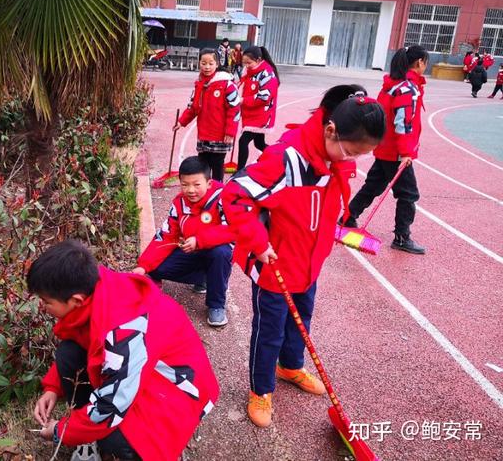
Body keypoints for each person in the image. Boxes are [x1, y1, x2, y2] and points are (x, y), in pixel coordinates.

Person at [222, 86, 386, 428]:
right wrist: (257, 242)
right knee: (268, 329)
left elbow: (321, 211)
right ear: (330, 130)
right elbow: (235, 196)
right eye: (353, 152)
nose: (353, 160)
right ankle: (260, 389)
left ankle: (291, 365)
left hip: (309, 263)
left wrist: (333, 234)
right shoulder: (286, 159)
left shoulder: (332, 158)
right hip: (275, 264)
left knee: (302, 319)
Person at [31, 240, 219, 461]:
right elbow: (79, 339)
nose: (42, 307)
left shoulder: (125, 335)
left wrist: (60, 431)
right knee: (69, 353)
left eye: (46, 301)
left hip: (179, 389)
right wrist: (52, 388)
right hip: (146, 369)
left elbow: (110, 408)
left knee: (118, 437)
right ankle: (88, 435)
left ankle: (156, 444)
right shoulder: (100, 289)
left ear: (76, 300)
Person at [345, 45, 429, 254]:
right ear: (419, 63)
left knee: (373, 186)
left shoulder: (391, 85)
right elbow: (404, 123)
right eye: (425, 63)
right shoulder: (407, 89)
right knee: (408, 194)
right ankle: (402, 237)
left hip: (384, 148)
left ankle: (348, 216)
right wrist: (406, 152)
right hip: (396, 152)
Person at [133, 156, 235, 327]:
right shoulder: (179, 203)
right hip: (192, 250)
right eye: (185, 184)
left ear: (209, 183)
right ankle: (204, 277)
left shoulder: (225, 199)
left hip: (215, 251)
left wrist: (200, 240)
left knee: (221, 253)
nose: (191, 190)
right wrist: (143, 265)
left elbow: (232, 230)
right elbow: (166, 235)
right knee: (156, 268)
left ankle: (216, 304)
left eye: (196, 184)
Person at [174, 48, 240, 182]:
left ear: (217, 64)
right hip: (204, 133)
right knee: (203, 164)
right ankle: (205, 190)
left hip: (220, 134)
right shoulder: (199, 84)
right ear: (199, 63)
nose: (207, 67)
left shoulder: (227, 84)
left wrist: (230, 132)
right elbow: (193, 107)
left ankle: (218, 191)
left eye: (211, 63)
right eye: (203, 63)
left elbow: (235, 109)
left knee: (217, 164)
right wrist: (181, 122)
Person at [236, 46, 280, 169]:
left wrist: (243, 100)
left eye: (249, 62)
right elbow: (240, 82)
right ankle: (278, 156)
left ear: (259, 60)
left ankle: (239, 170)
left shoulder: (267, 73)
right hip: (252, 112)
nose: (246, 65)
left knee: (243, 141)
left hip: (261, 114)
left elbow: (264, 96)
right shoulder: (250, 71)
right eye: (244, 63)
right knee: (259, 144)